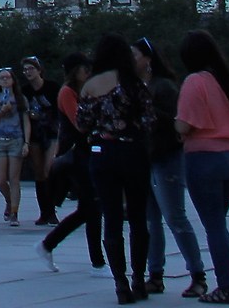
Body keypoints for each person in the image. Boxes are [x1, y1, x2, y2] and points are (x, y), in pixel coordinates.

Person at [68, 34, 152, 303]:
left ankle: (120, 283)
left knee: (111, 218)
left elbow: (81, 124)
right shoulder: (134, 83)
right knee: (139, 218)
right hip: (133, 152)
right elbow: (150, 121)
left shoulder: (90, 85)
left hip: (102, 154)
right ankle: (139, 278)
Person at [175, 31, 229, 307]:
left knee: (214, 226)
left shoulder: (194, 82)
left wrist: (174, 125)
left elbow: (184, 125)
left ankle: (227, 286)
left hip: (203, 158)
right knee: (219, 224)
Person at [131, 38, 203, 298]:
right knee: (151, 221)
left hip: (166, 158)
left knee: (175, 217)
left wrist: (145, 111)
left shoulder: (164, 87)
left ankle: (197, 275)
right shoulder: (138, 87)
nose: (131, 60)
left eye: (135, 55)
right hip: (146, 159)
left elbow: (173, 121)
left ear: (148, 59)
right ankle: (155, 275)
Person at [37, 55, 104, 274]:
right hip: (76, 156)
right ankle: (97, 262)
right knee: (92, 208)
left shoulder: (84, 91)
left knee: (89, 209)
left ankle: (48, 245)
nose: (88, 71)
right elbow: (80, 123)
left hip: (86, 154)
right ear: (74, 70)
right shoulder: (67, 92)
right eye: (84, 68)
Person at [19, 57, 65, 225]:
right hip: (35, 134)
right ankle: (44, 211)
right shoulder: (25, 91)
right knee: (39, 172)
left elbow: (61, 111)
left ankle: (52, 209)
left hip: (52, 132)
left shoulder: (52, 87)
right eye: (25, 70)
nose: (28, 72)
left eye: (31, 68)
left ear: (39, 70)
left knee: (49, 169)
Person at [0, 66, 28, 224]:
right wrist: (2, 112)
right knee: (0, 179)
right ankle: (9, 200)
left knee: (14, 178)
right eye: (2, 78)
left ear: (12, 80)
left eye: (7, 77)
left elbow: (26, 121)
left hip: (16, 139)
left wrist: (27, 142)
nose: (5, 80)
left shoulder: (19, 98)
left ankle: (14, 212)